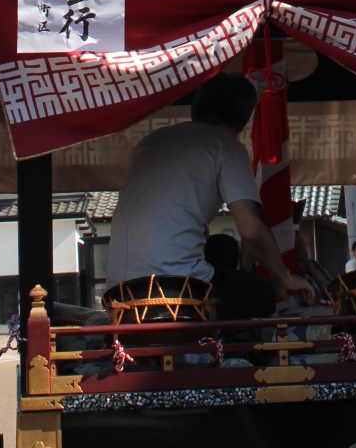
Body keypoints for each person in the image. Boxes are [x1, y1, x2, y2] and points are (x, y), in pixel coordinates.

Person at [104, 71, 313, 317]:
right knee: (259, 295)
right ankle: (213, 352)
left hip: (117, 287)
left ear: (194, 106)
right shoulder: (226, 146)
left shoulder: (150, 141)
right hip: (175, 287)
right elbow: (250, 229)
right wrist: (283, 276)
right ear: (243, 122)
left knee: (223, 248)